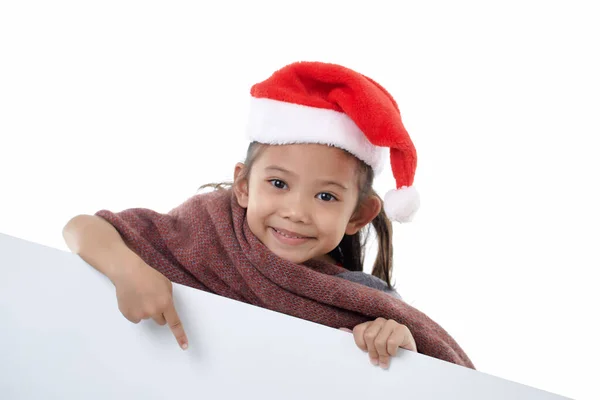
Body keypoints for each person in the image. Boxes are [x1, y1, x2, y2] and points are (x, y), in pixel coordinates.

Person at [63, 61, 474, 370]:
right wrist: (128, 271)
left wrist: (398, 342)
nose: (296, 211)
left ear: (358, 215)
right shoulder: (204, 233)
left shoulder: (364, 298)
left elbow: (422, 373)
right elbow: (81, 229)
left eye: (326, 196)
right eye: (278, 184)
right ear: (243, 186)